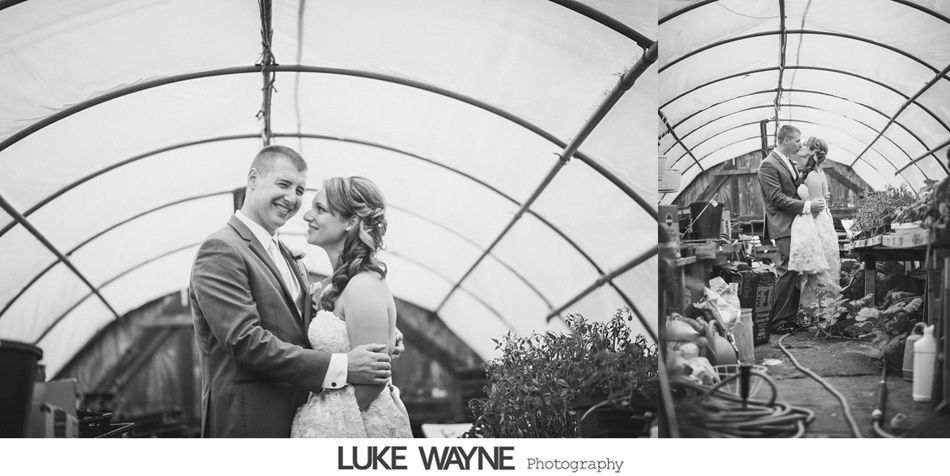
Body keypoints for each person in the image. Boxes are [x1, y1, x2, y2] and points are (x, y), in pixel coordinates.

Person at [189, 146, 393, 437]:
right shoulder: (222, 249)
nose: (293, 199)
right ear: (253, 178)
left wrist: (378, 330)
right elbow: (246, 341)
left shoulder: (289, 256)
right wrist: (343, 364)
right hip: (251, 423)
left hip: (302, 419)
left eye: (300, 190)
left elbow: (305, 329)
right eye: (283, 184)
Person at [291, 176, 412, 438]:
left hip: (359, 430)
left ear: (350, 221)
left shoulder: (363, 286)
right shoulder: (337, 286)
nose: (307, 215)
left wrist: (319, 429)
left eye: (320, 209)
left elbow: (373, 383)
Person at [757, 125, 826, 334]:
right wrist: (807, 206)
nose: (800, 143)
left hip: (795, 223)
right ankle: (776, 320)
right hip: (783, 224)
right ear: (786, 140)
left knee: (796, 269)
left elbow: (795, 188)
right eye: (797, 140)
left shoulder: (788, 162)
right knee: (787, 268)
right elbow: (776, 198)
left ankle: (789, 317)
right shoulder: (768, 165)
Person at [795, 137, 842, 329]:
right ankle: (822, 312)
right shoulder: (818, 172)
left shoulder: (813, 175)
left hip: (816, 222)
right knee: (821, 266)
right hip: (823, 219)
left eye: (805, 145)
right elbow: (824, 197)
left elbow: (816, 203)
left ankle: (819, 313)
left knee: (818, 267)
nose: (801, 147)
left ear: (812, 151)